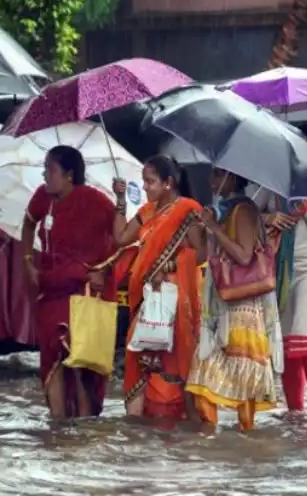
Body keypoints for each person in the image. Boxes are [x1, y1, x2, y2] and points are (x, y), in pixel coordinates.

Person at [248, 124, 307, 419]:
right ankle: (296, 415)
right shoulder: (276, 180)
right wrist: (269, 216)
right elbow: (248, 213)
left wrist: (304, 200)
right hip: (283, 268)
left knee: (306, 343)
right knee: (288, 347)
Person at [22, 145, 117, 419]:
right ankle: (58, 428)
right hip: (50, 291)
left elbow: (123, 237)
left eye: (51, 170)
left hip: (83, 292)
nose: (45, 176)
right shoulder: (42, 197)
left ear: (69, 176)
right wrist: (28, 261)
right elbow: (28, 224)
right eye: (45, 170)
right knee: (53, 359)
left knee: (79, 360)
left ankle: (84, 429)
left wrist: (105, 271)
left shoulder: (95, 200)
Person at [185, 168, 283, 431]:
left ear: (233, 177)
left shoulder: (244, 210)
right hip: (224, 306)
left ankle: (238, 439)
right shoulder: (223, 210)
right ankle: (220, 441)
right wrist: (205, 228)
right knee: (205, 378)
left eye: (218, 175)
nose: (212, 180)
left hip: (243, 308)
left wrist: (215, 228)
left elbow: (243, 256)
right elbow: (203, 257)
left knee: (239, 383)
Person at [112, 155, 204, 420]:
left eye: (150, 182)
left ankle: (185, 425)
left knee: (175, 361)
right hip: (144, 300)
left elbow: (200, 253)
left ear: (168, 183)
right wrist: (120, 201)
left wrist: (169, 267)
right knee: (137, 354)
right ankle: (138, 429)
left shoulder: (187, 209)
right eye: (144, 181)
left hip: (174, 302)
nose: (145, 187)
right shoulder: (147, 212)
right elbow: (120, 238)